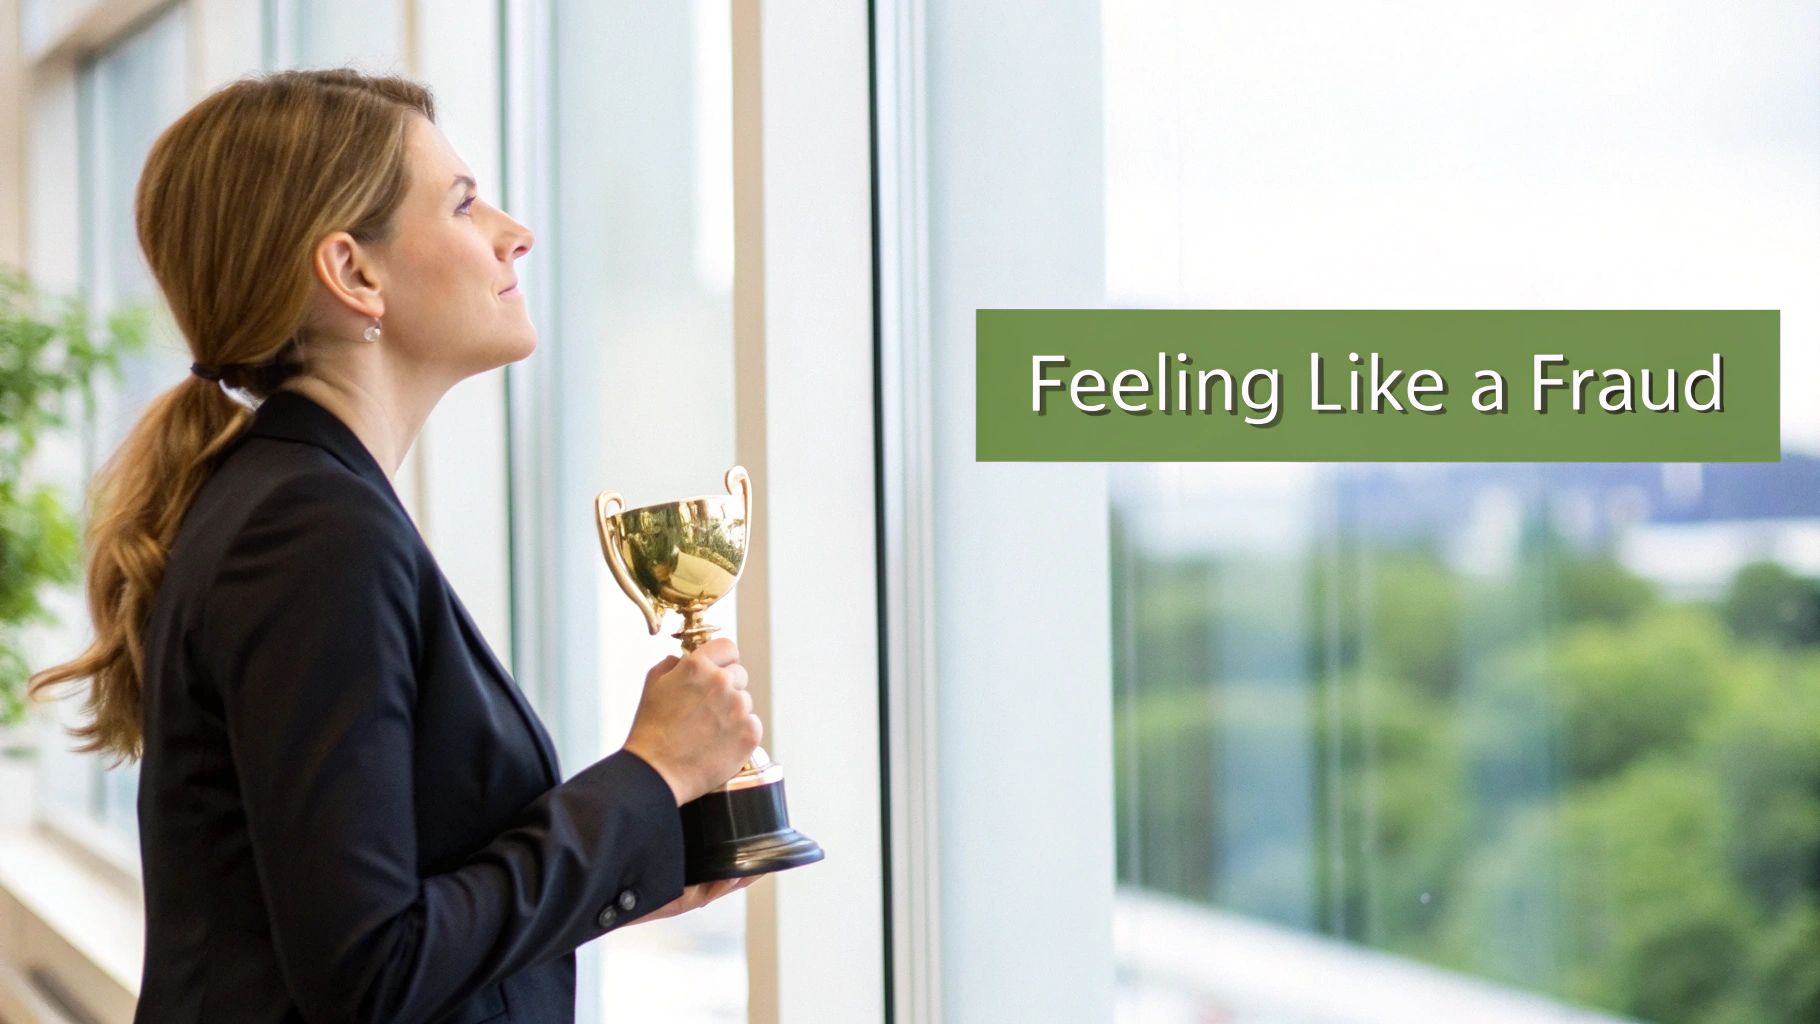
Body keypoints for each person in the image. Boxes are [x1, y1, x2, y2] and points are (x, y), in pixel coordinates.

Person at [26, 68, 762, 1022]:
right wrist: (652, 775)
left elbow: (366, 917)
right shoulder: (311, 530)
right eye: (462, 203)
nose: (514, 232)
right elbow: (369, 972)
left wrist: (619, 861)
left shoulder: (290, 498)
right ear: (353, 273)